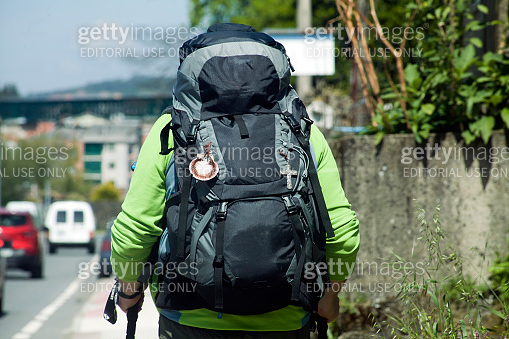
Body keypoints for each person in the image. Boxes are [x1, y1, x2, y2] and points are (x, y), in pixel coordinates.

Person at [111, 24, 360, 339]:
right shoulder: (303, 132)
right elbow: (343, 232)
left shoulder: (171, 131)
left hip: (190, 319)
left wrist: (130, 290)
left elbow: (136, 228)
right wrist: (330, 295)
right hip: (285, 318)